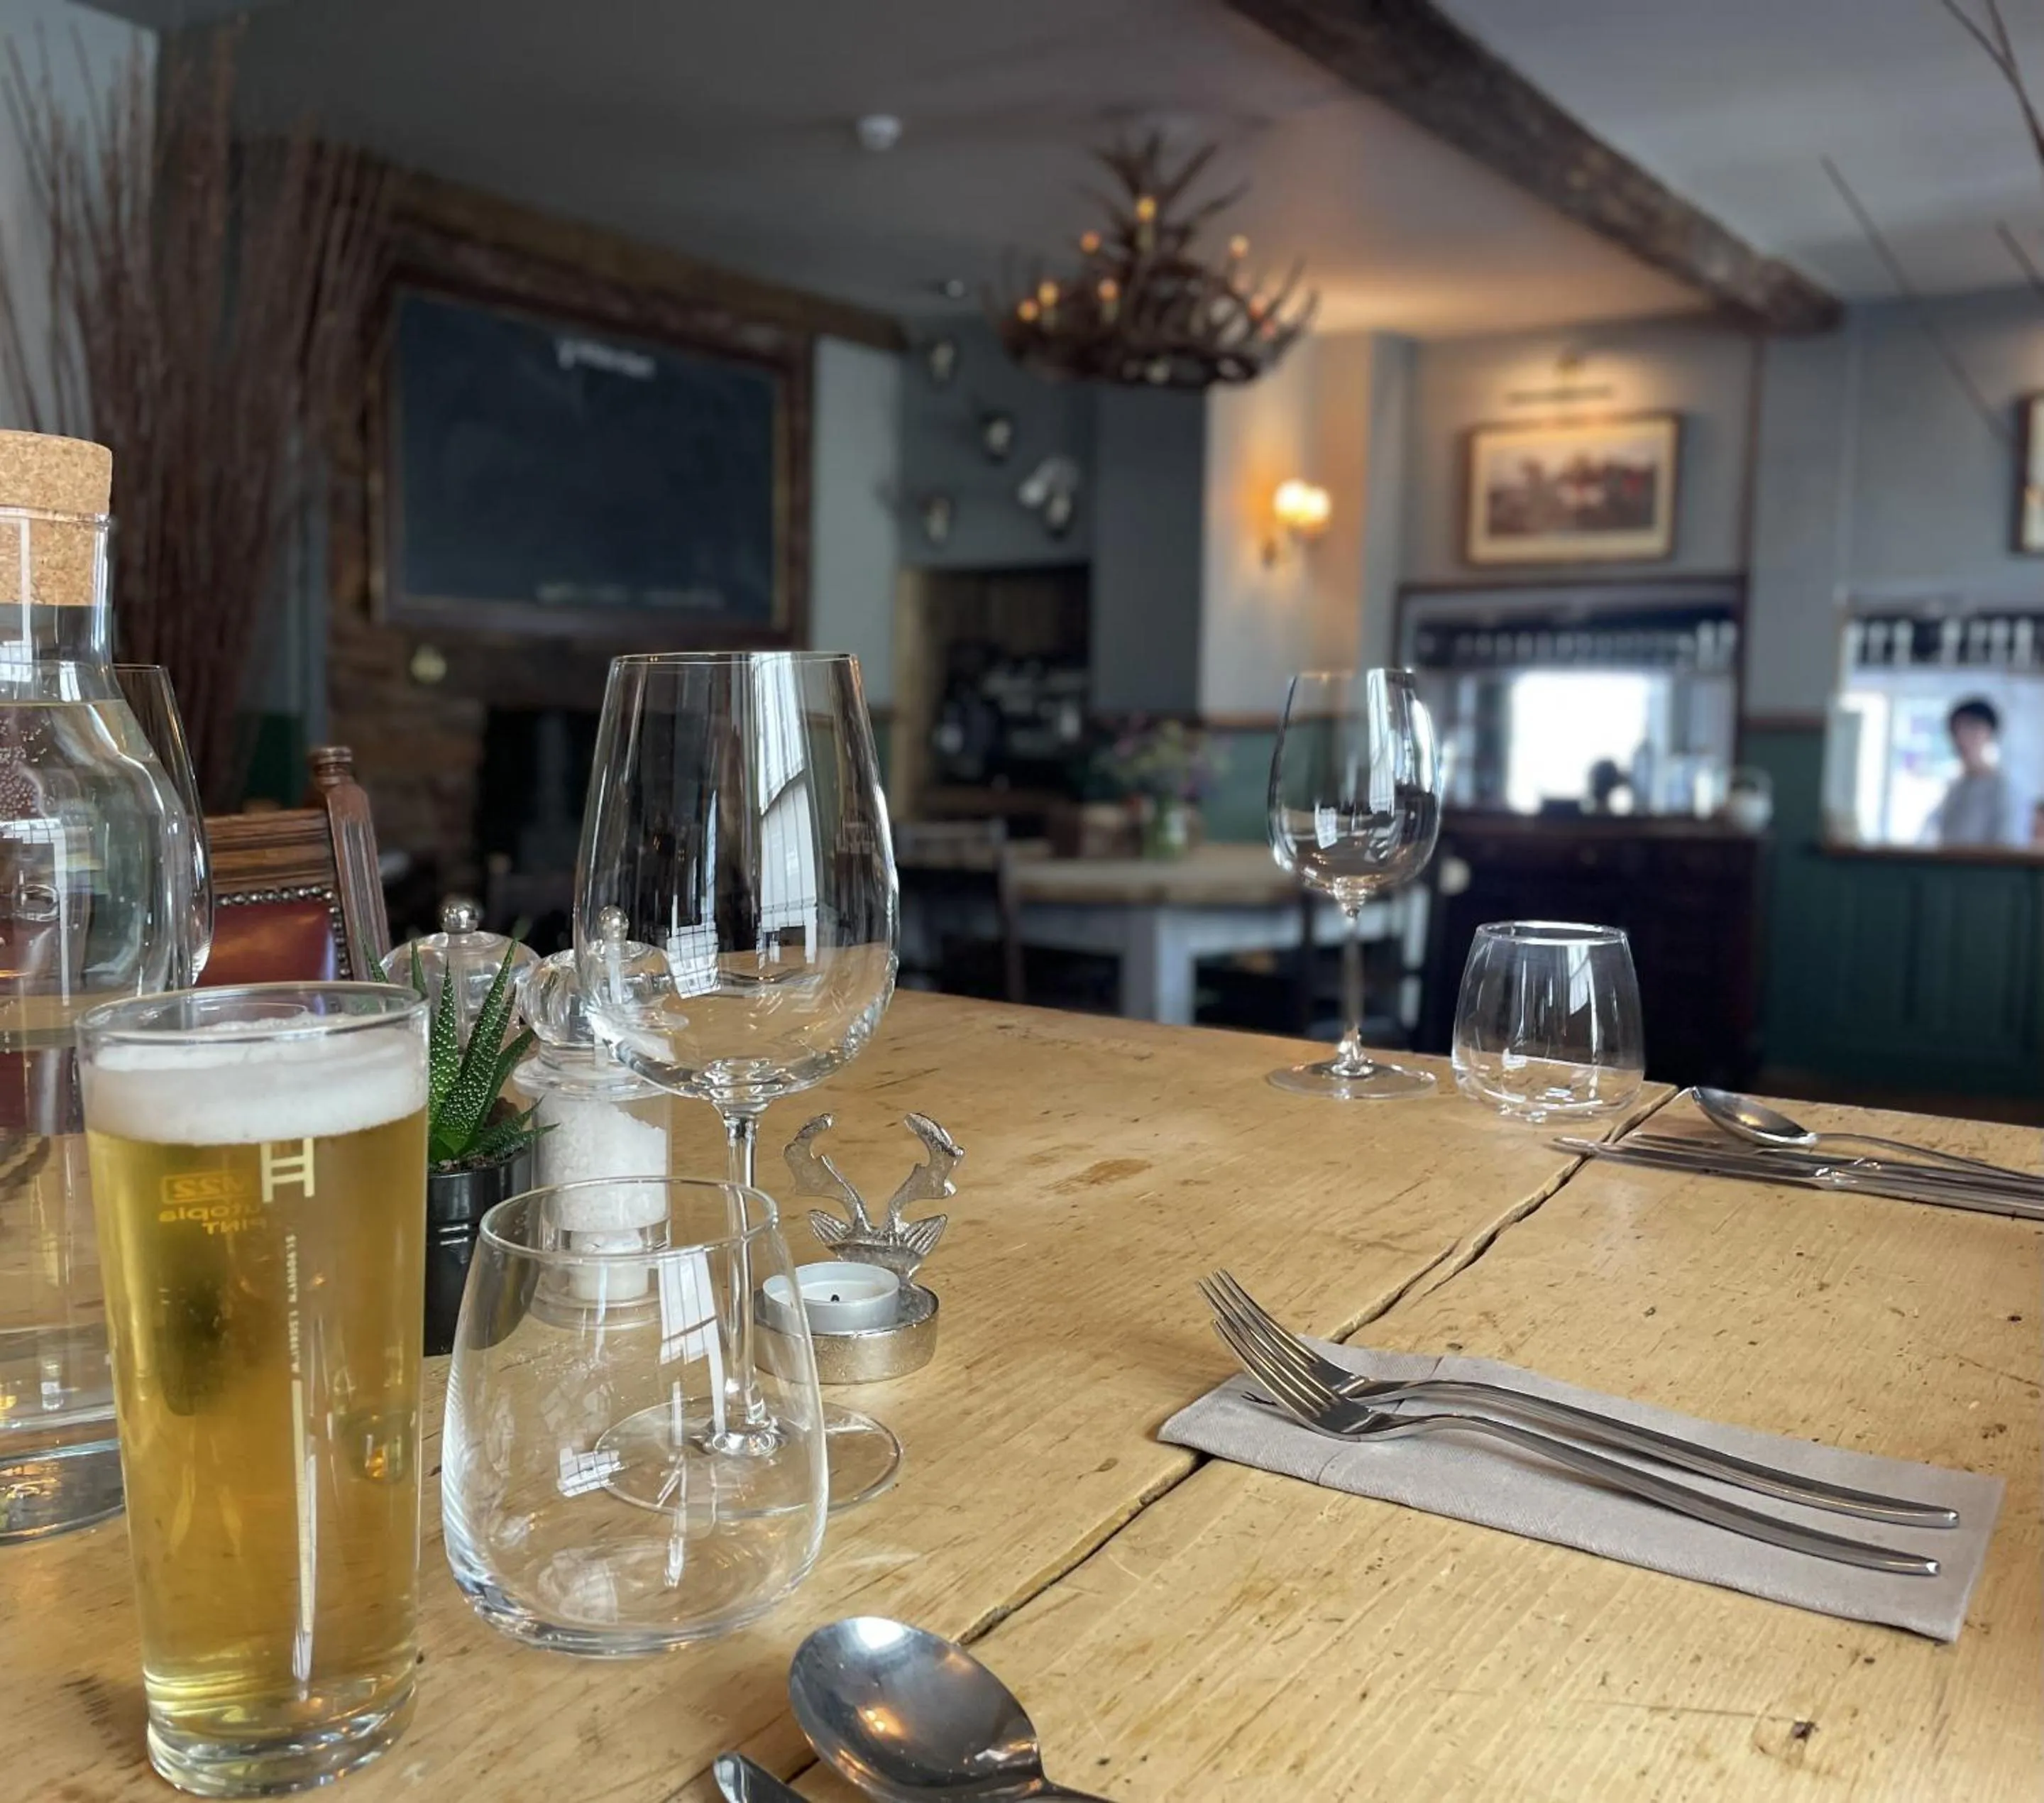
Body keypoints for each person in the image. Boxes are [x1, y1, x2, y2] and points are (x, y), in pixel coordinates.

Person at [1927, 697, 2026, 848]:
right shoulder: (1954, 788)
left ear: (1989, 733)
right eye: (1956, 729)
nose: (1962, 737)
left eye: (1971, 728)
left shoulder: (2004, 789)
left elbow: (2009, 846)